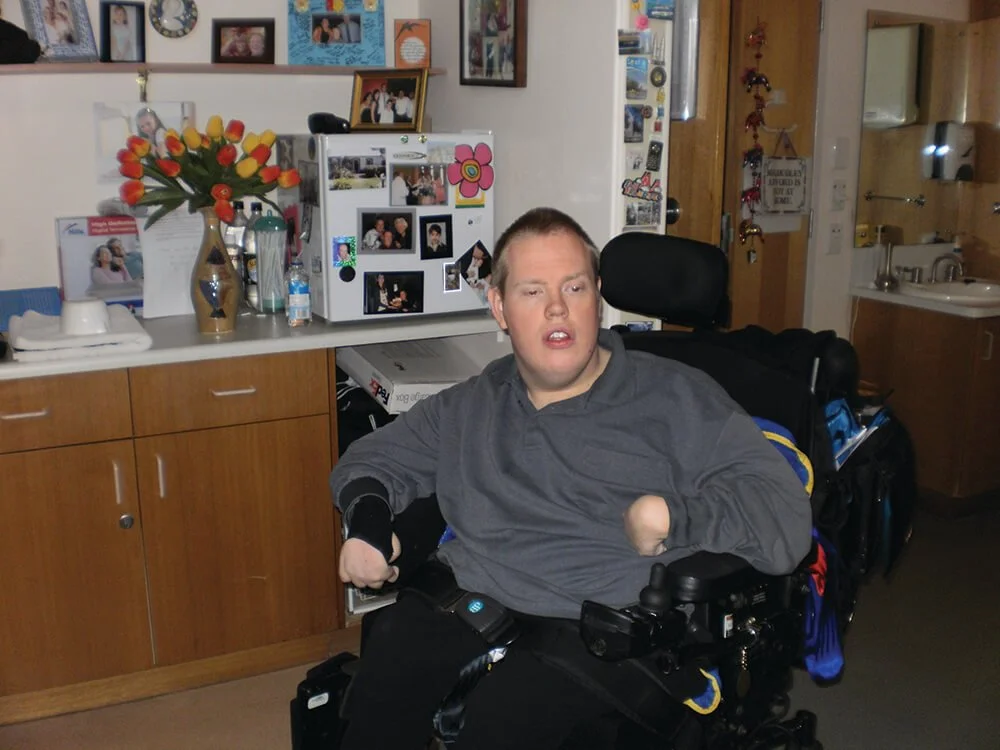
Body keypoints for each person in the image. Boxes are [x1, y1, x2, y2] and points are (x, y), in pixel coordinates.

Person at [330, 207, 813, 749]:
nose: (557, 308)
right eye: (533, 292)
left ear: (597, 296)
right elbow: (370, 460)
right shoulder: (473, 404)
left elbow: (786, 520)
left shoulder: (678, 398)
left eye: (574, 287)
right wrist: (368, 523)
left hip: (608, 633)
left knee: (500, 722)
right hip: (477, 600)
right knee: (382, 679)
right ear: (500, 307)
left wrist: (676, 518)